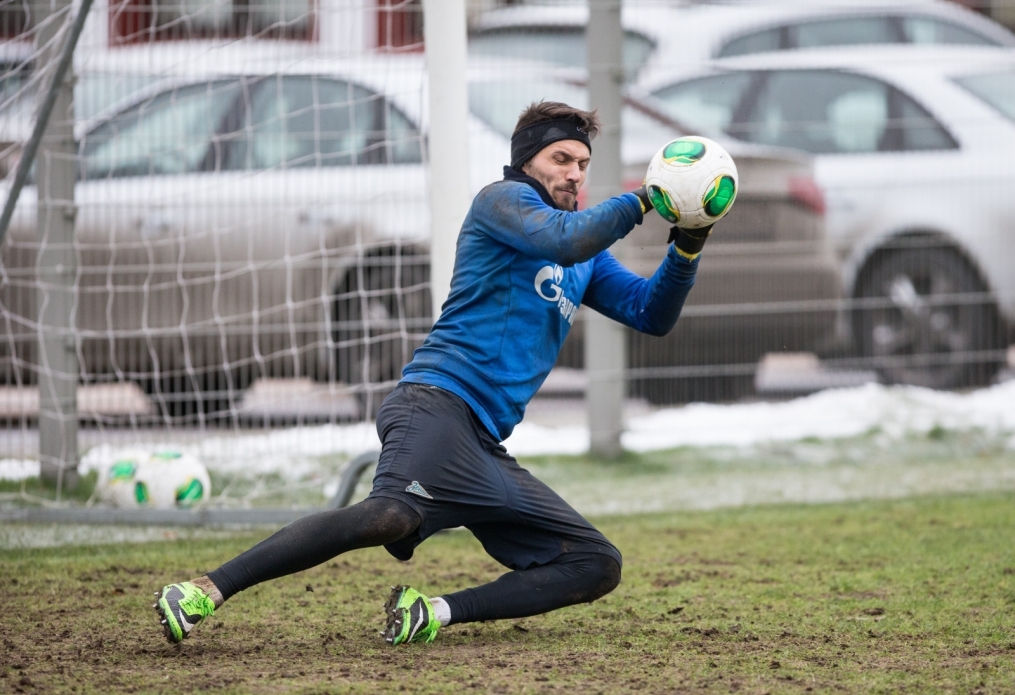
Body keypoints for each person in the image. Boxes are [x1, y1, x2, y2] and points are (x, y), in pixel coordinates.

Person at [154, 101, 715, 646]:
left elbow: (651, 313)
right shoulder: (504, 201)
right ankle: (204, 590)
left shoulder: (585, 253)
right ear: (527, 162)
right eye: (561, 160)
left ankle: (433, 611)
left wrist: (688, 243)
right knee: (388, 515)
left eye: (583, 164)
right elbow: (563, 241)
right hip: (436, 403)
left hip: (480, 444)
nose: (574, 174)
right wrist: (646, 198)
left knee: (595, 563)